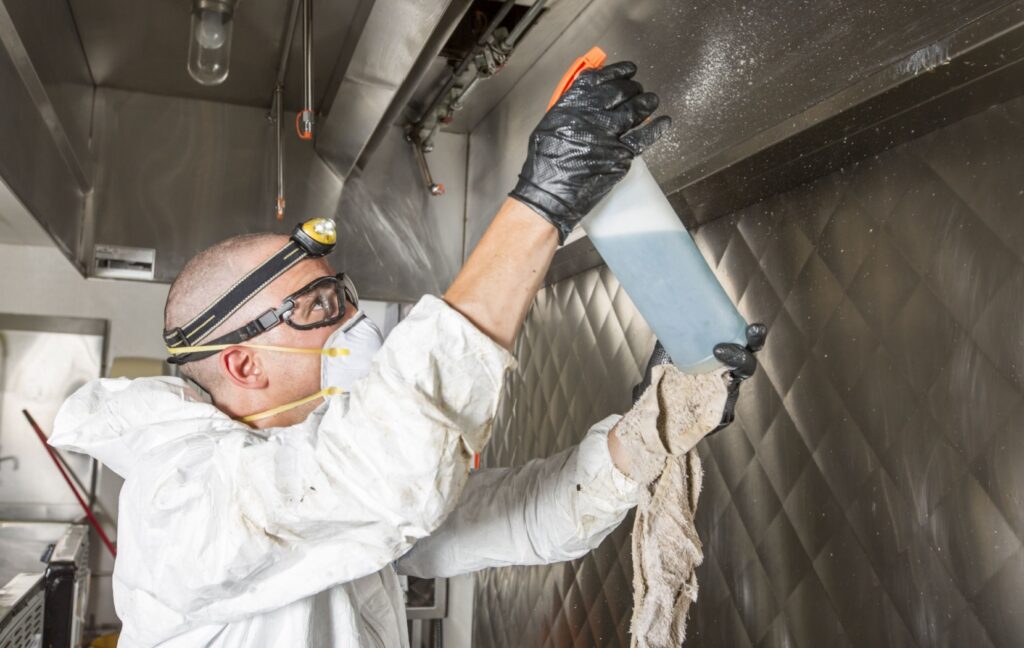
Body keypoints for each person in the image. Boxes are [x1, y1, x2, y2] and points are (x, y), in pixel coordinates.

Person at [50, 62, 756, 647]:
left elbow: (522, 516)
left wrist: (651, 427)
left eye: (343, 295)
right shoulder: (181, 498)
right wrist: (541, 205)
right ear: (244, 364)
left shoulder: (325, 486)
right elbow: (384, 472)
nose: (352, 321)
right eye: (320, 307)